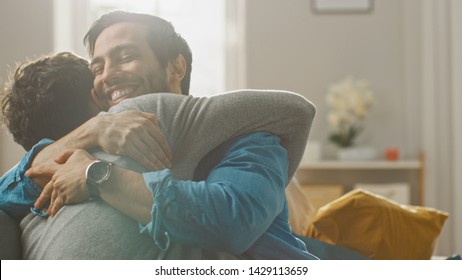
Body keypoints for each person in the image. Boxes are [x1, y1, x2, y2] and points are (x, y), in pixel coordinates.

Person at [0, 12, 317, 259]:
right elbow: (7, 191)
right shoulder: (97, 138)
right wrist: (92, 130)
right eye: (97, 68)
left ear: (176, 67)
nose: (108, 75)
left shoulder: (243, 133)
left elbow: (234, 220)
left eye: (126, 56)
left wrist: (96, 177)